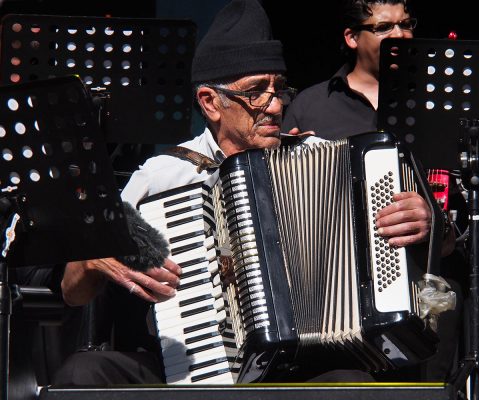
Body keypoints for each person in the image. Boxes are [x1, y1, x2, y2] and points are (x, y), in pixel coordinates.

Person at [54, 0, 436, 385]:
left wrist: (420, 219)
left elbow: (403, 242)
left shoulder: (321, 157)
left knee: (353, 384)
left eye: (279, 89)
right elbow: (73, 293)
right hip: (189, 365)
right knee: (84, 373)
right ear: (210, 102)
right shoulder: (164, 176)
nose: (274, 106)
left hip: (303, 366)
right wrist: (89, 259)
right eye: (255, 92)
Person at [282, 0, 463, 382]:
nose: (399, 36)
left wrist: (434, 221)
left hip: (426, 288)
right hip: (333, 296)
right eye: (383, 28)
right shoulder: (311, 107)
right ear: (351, 37)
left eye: (405, 24)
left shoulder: (438, 103)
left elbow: (465, 215)